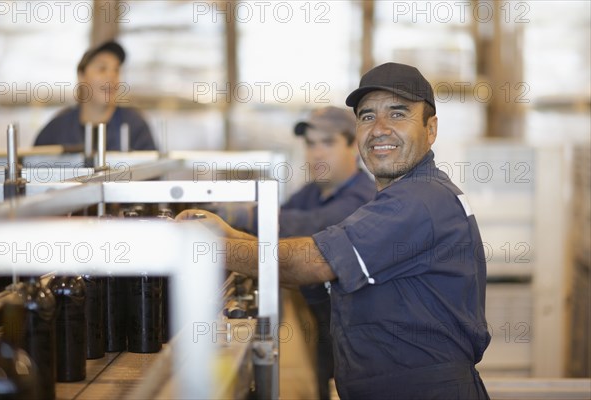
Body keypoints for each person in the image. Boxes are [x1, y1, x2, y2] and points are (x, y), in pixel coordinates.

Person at [178, 62, 491, 399]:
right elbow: (299, 254)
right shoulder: (402, 196)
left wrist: (212, 245)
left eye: (398, 114)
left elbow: (308, 261)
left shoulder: (418, 199)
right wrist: (230, 236)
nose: (380, 128)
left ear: (431, 129)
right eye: (367, 116)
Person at [215, 106, 376, 399]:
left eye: (327, 142)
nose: (316, 153)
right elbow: (279, 225)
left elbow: (306, 224)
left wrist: (239, 214)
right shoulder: (313, 192)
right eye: (310, 144)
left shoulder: (363, 197)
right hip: (327, 328)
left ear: (354, 146)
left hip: (361, 341)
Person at [34, 40, 156, 151]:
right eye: (102, 69)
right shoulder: (57, 128)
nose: (111, 77)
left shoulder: (135, 125)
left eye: (116, 70)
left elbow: (153, 172)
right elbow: (32, 167)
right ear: (81, 76)